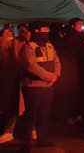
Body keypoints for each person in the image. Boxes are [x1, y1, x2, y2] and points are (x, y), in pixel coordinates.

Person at [19, 21, 61, 152]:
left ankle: (42, 140)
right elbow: (31, 66)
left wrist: (56, 75)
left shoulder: (49, 46)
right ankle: (25, 143)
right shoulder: (28, 47)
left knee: (44, 114)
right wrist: (50, 76)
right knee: (30, 115)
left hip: (48, 87)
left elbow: (57, 61)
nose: (47, 32)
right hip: (33, 87)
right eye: (44, 30)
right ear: (36, 31)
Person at [54, 18, 84, 124]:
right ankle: (68, 115)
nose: (81, 25)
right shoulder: (71, 38)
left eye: (81, 23)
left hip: (77, 68)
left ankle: (73, 114)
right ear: (72, 26)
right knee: (70, 93)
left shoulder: (80, 36)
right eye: (78, 24)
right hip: (71, 69)